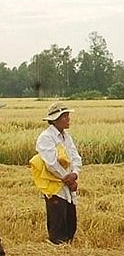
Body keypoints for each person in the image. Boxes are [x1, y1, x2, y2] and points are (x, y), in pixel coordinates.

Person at [34, 102, 82, 245]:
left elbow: (75, 157)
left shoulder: (66, 136)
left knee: (70, 223)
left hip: (68, 187)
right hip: (55, 188)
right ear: (55, 119)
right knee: (58, 226)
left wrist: (75, 173)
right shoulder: (46, 138)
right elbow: (51, 163)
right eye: (65, 116)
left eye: (68, 116)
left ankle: (67, 252)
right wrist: (68, 179)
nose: (68, 119)